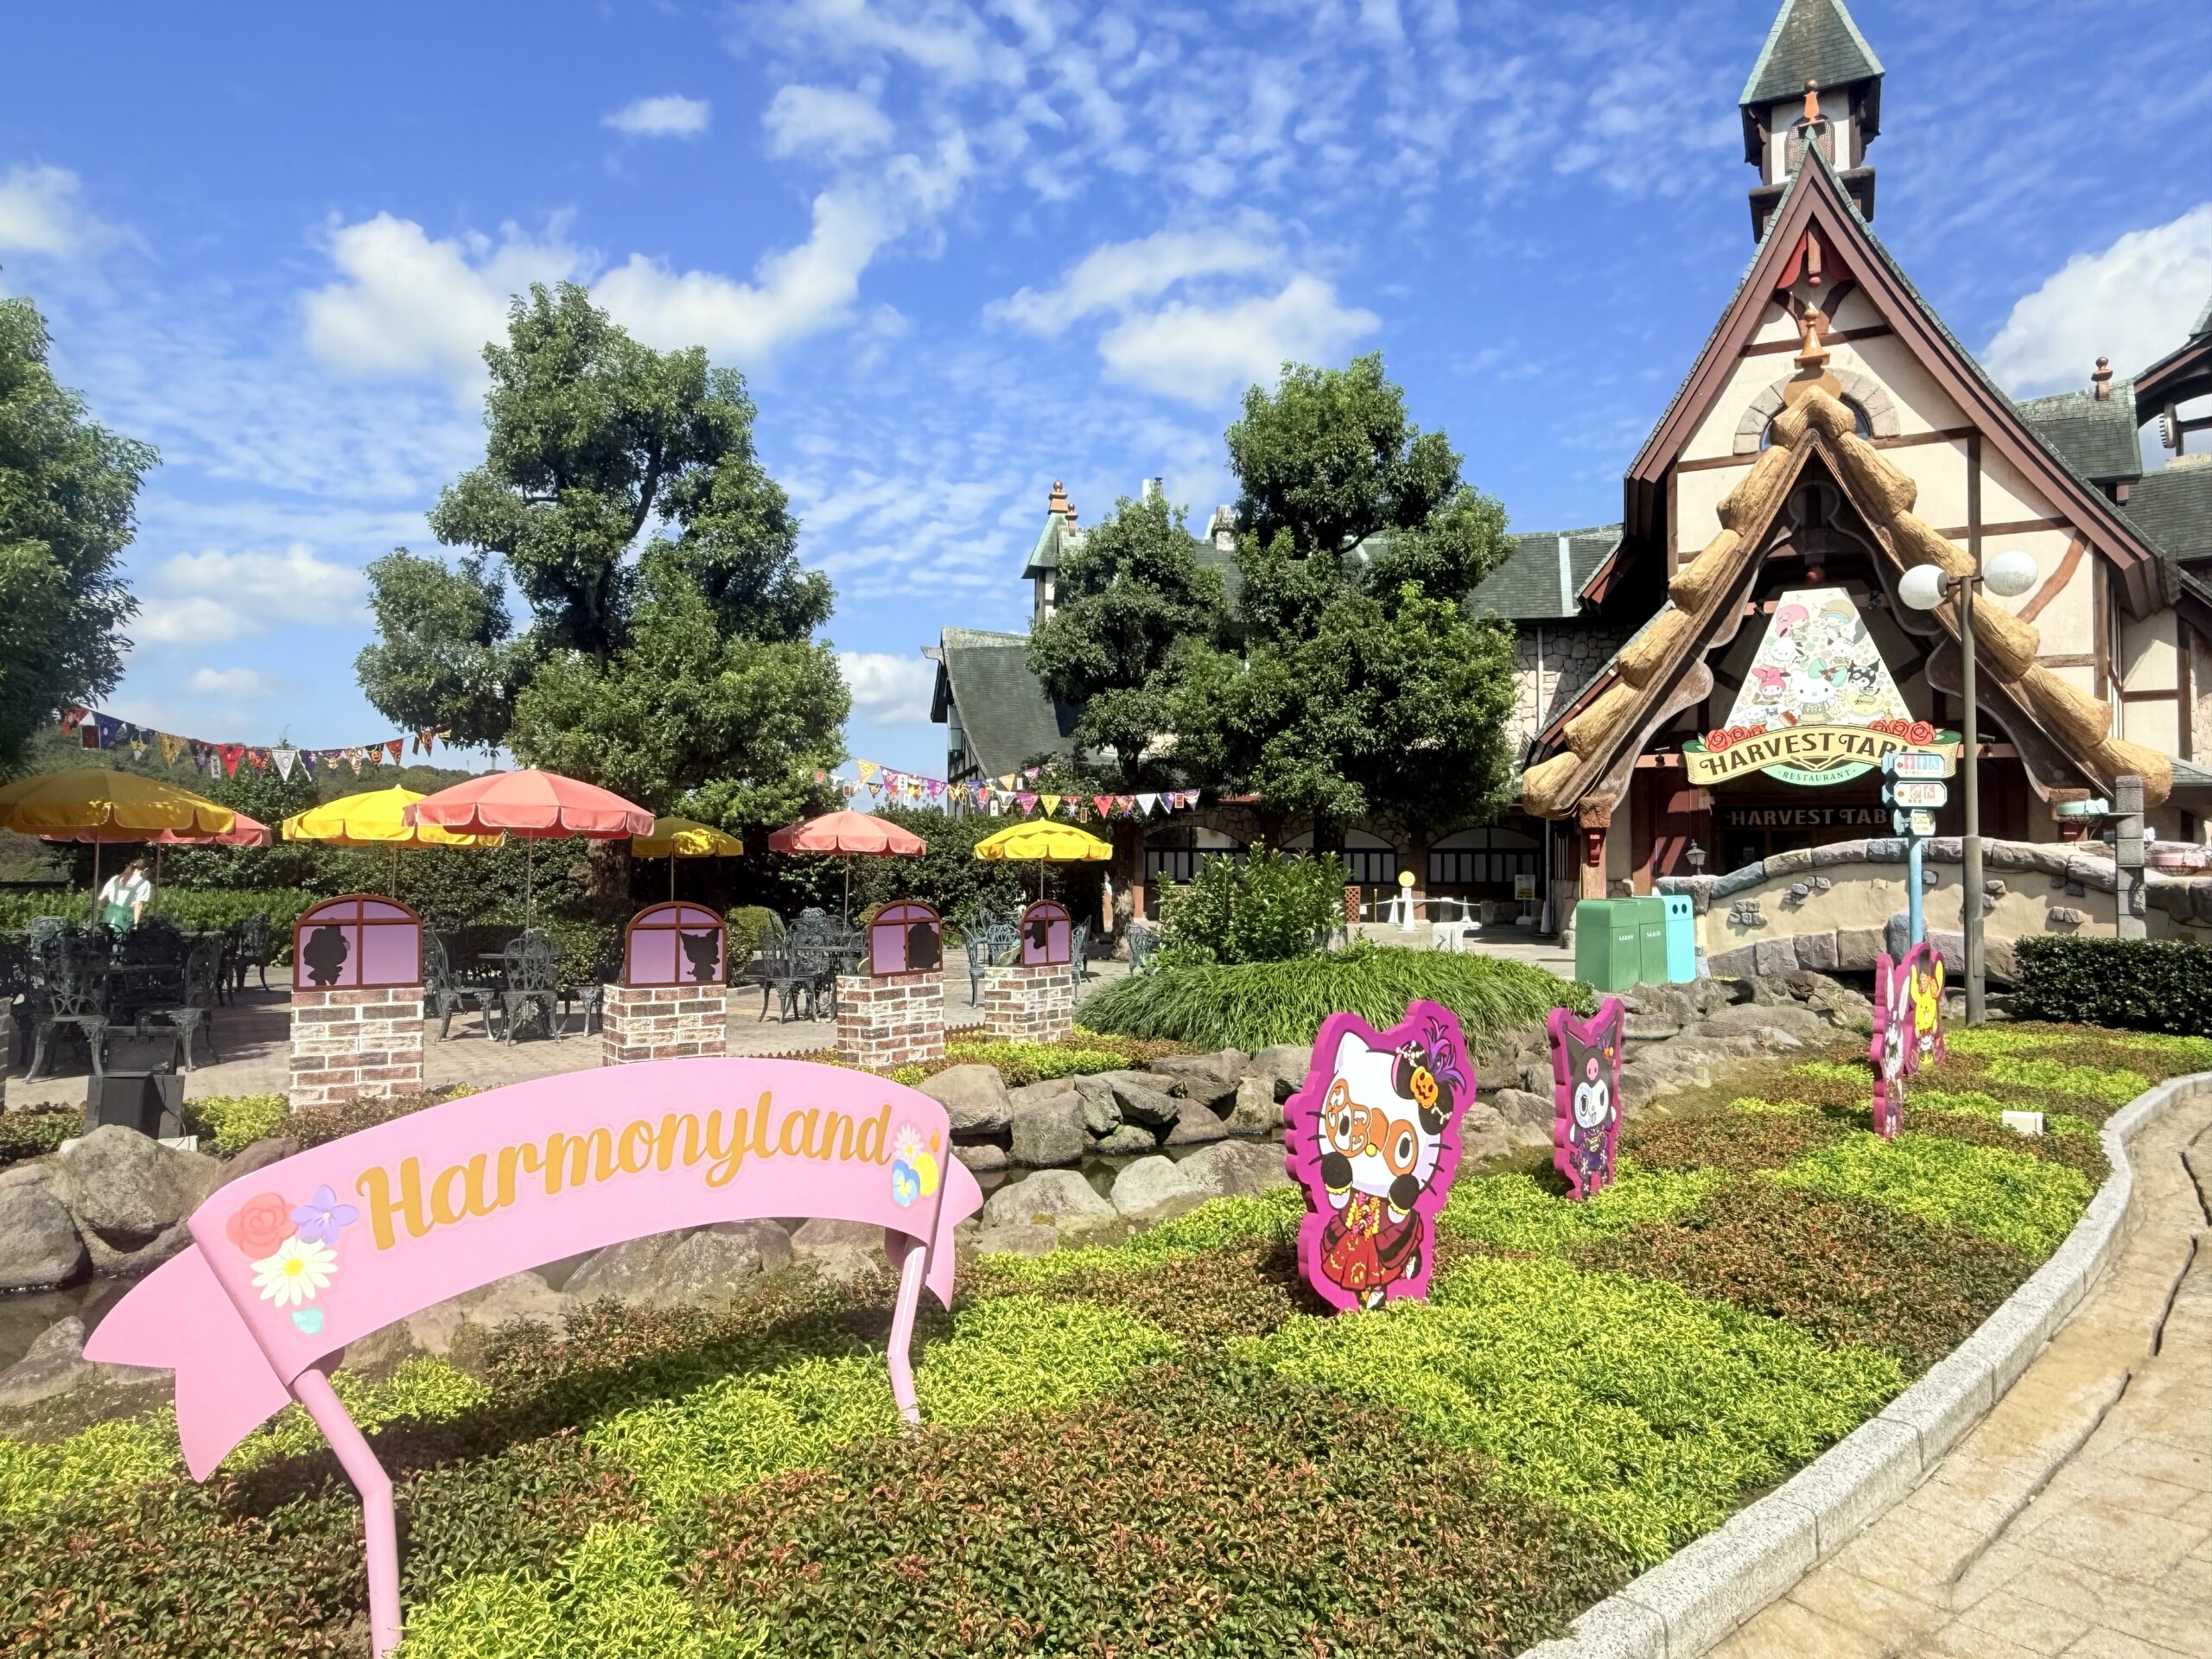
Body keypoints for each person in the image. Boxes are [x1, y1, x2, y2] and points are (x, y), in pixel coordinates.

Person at [98, 857, 153, 931]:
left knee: (105, 937)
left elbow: (101, 897)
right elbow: (138, 905)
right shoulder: (144, 884)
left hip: (109, 916)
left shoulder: (116, 878)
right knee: (121, 938)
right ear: (145, 869)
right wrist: (135, 924)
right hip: (124, 919)